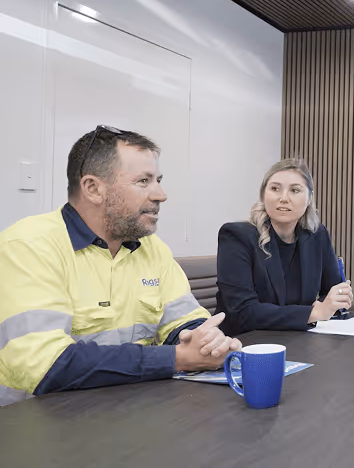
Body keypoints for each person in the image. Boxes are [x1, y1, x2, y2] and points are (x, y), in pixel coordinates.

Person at [0, 126, 241, 407]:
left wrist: (206, 341)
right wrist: (178, 358)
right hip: (34, 424)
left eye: (158, 180)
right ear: (93, 188)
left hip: (126, 410)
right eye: (143, 181)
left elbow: (183, 321)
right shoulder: (28, 245)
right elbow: (45, 366)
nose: (161, 194)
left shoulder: (152, 249)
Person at [216, 158, 352, 336]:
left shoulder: (317, 236)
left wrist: (337, 299)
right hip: (246, 343)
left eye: (295, 190)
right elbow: (242, 313)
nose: (283, 198)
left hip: (299, 339)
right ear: (263, 194)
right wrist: (313, 313)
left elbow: (331, 292)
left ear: (309, 198)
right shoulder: (237, 236)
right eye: (274, 189)